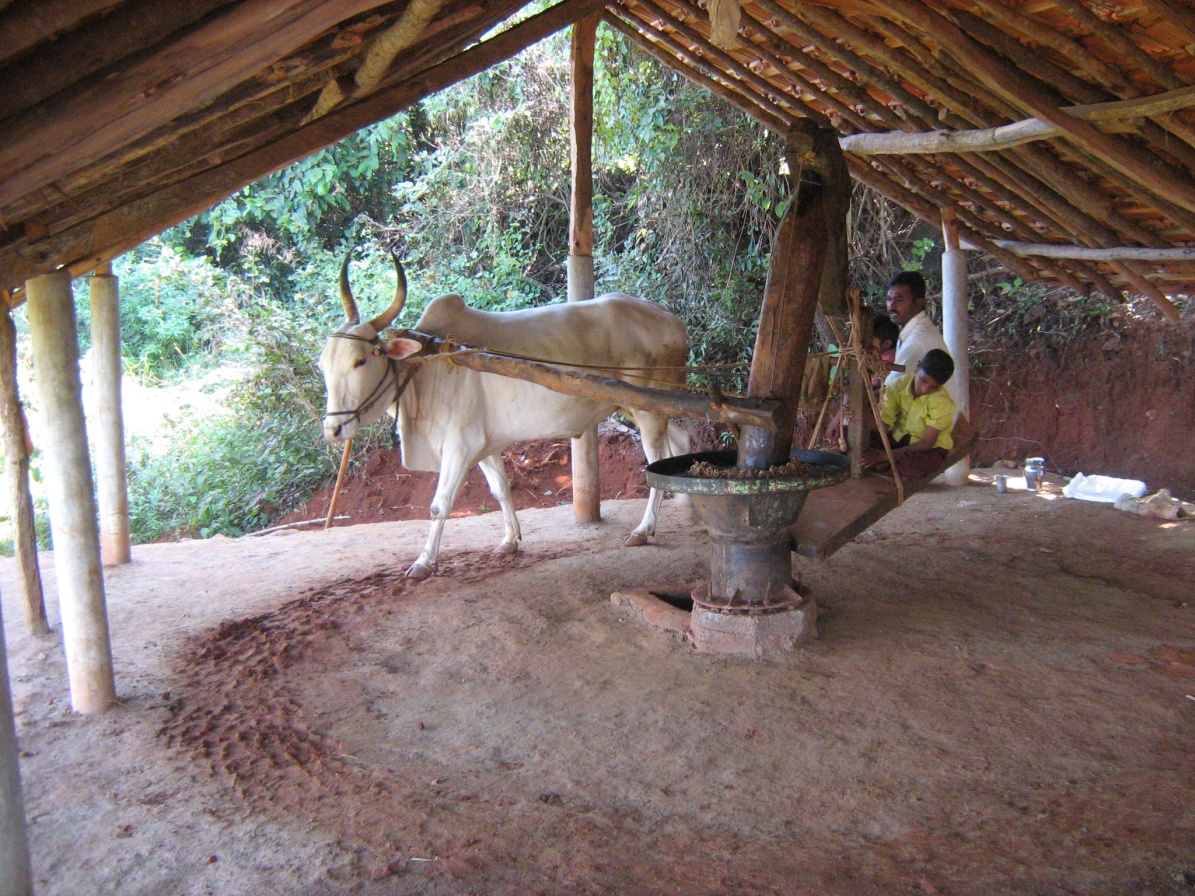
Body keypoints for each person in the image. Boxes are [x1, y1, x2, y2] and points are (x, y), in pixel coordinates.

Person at [872, 348, 956, 479]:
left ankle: (884, 463)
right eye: (923, 380)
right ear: (917, 367)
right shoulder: (897, 386)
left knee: (914, 467)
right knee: (865, 440)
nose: (925, 389)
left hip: (928, 449)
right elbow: (885, 422)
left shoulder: (941, 402)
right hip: (898, 439)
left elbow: (927, 443)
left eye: (934, 387)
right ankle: (886, 462)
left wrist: (885, 455)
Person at [884, 271, 947, 387]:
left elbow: (889, 391)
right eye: (889, 299)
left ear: (918, 302)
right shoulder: (912, 333)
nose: (891, 306)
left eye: (899, 300)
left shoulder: (917, 341)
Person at [870, 312, 900, 389]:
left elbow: (877, 385)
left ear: (887, 344)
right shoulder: (879, 355)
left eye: (872, 341)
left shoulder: (888, 359)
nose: (868, 345)